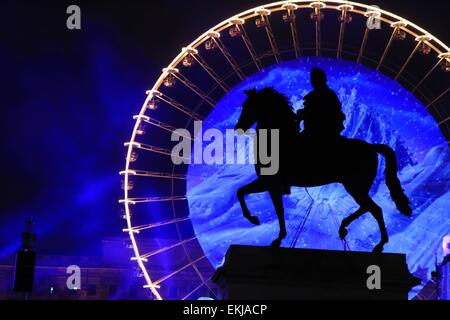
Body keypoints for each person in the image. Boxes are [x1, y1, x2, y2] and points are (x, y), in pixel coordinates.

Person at [296, 67, 346, 140]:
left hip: (316, 133)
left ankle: (275, 150)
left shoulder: (315, 96)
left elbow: (313, 113)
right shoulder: (330, 94)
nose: (312, 81)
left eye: (313, 79)